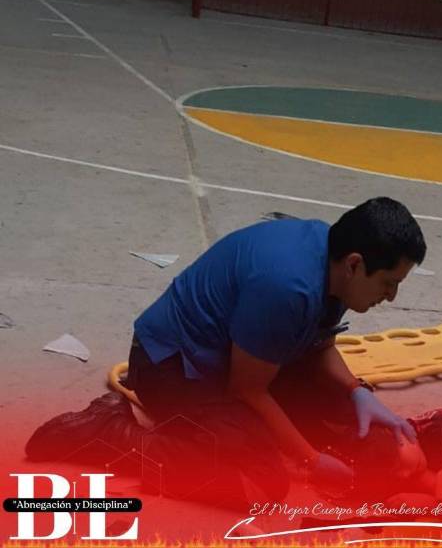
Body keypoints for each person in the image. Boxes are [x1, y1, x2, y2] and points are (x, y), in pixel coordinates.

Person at [125, 197, 426, 504]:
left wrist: (355, 390)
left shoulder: (337, 262)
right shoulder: (287, 287)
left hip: (235, 356)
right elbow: (246, 389)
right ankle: (118, 435)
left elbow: (319, 345)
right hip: (168, 368)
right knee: (263, 481)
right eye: (388, 283)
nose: (391, 296)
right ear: (354, 264)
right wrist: (309, 459)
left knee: (346, 414)